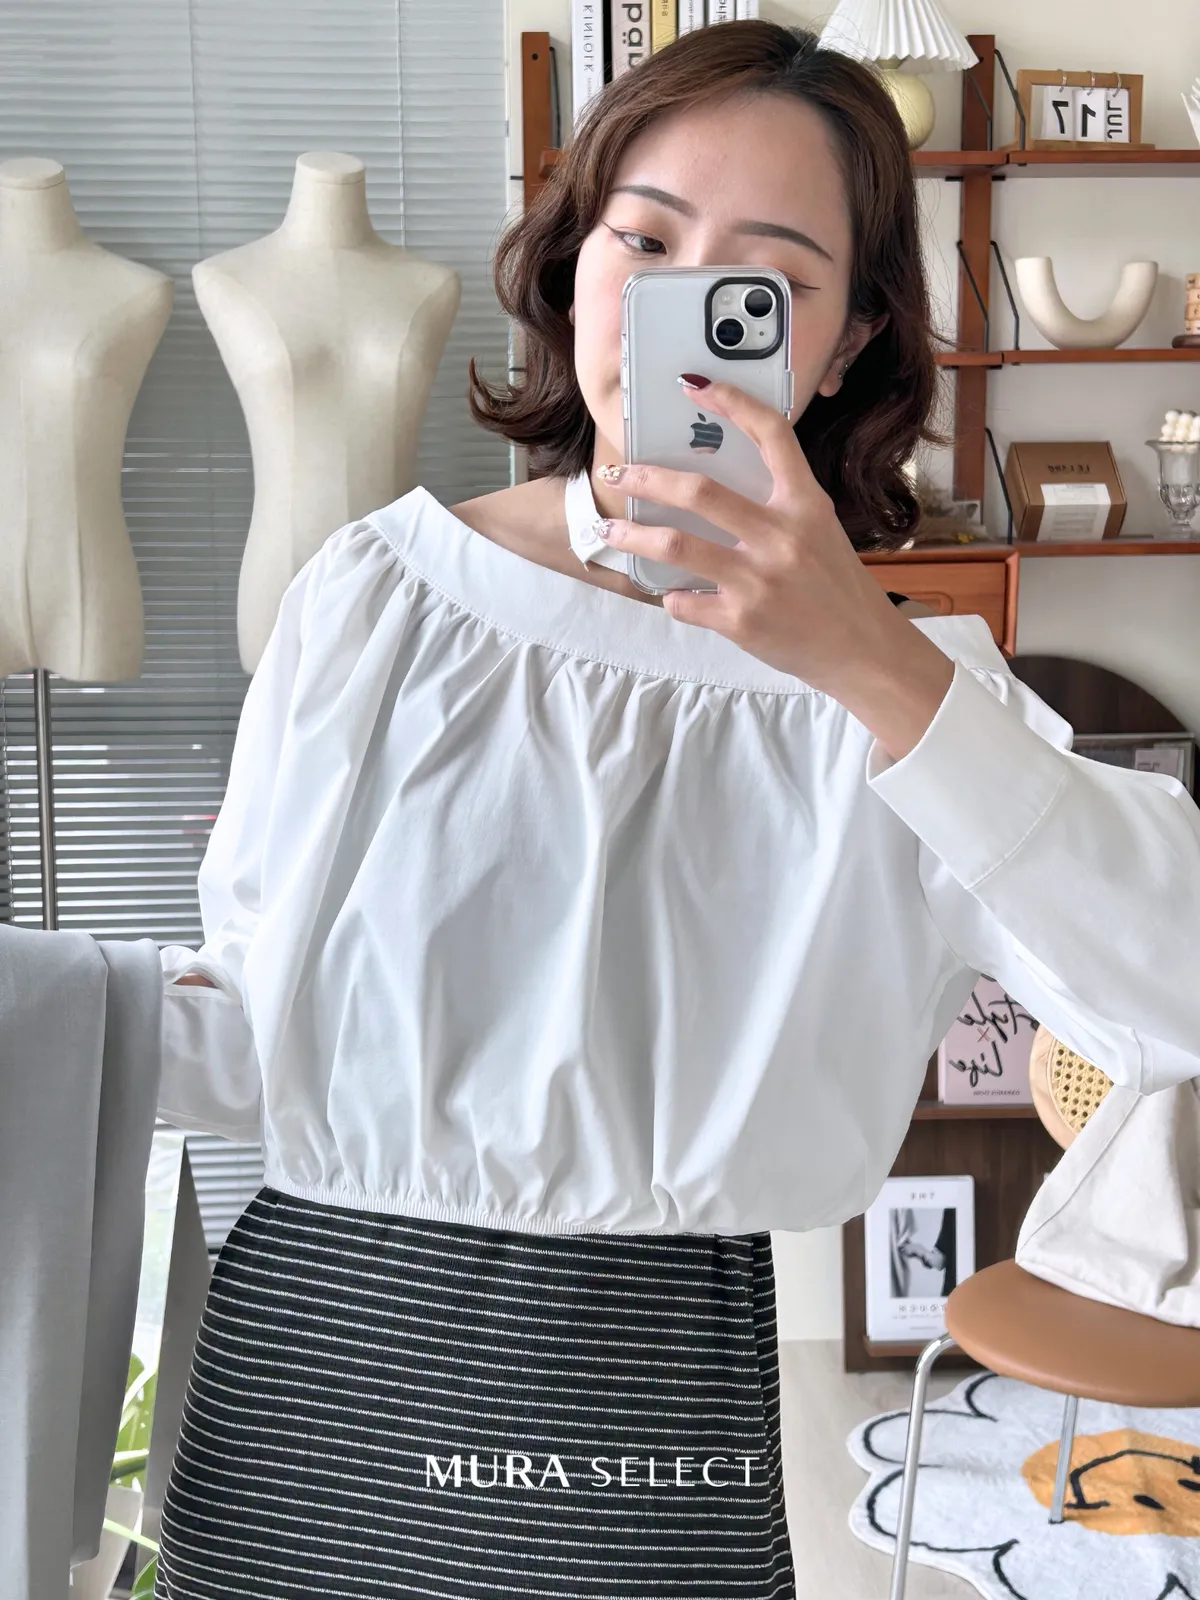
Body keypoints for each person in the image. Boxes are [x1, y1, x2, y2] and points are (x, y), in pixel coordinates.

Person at [153, 20, 1200, 1600]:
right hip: (309, 1377)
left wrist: (870, 662)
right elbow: (251, 1027)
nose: (688, 309)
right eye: (644, 241)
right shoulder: (379, 597)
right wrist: (68, 1014)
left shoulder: (916, 692)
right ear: (576, 267)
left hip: (647, 1410)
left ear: (841, 342)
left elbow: (1177, 990)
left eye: (764, 278)